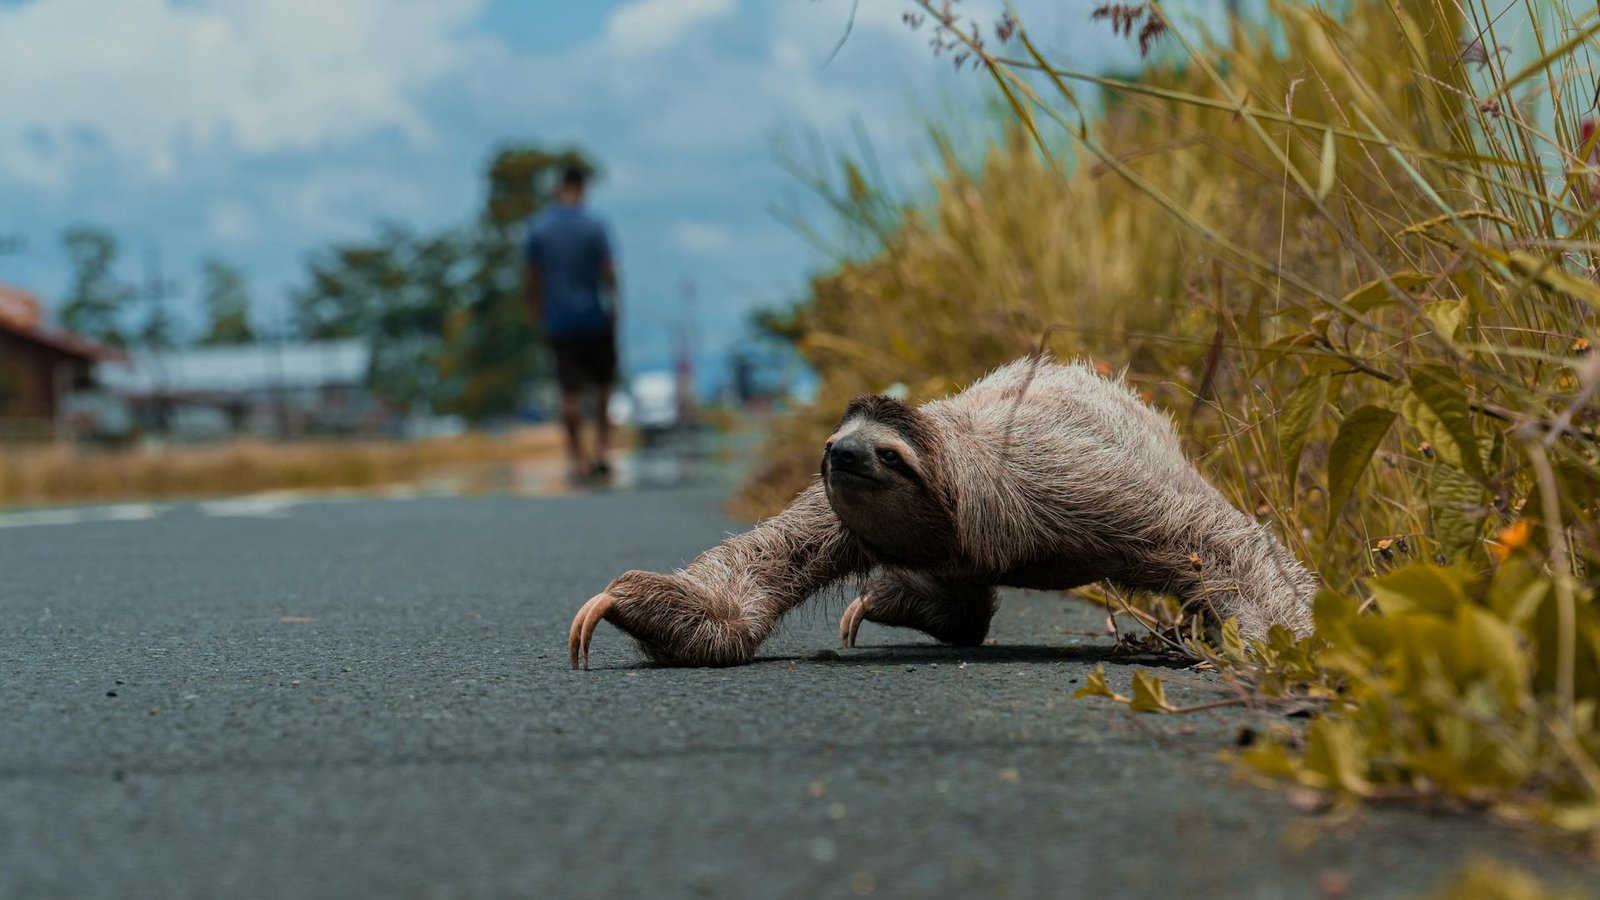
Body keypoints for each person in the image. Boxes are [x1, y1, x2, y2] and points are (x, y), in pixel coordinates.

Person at [523, 166, 620, 481]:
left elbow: (532, 280)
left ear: (558, 187)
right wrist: (615, 307)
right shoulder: (594, 227)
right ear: (581, 189)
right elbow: (608, 273)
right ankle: (604, 449)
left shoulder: (538, 229)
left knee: (569, 392)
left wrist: (538, 316)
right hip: (593, 315)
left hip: (559, 320)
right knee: (603, 386)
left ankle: (577, 458)